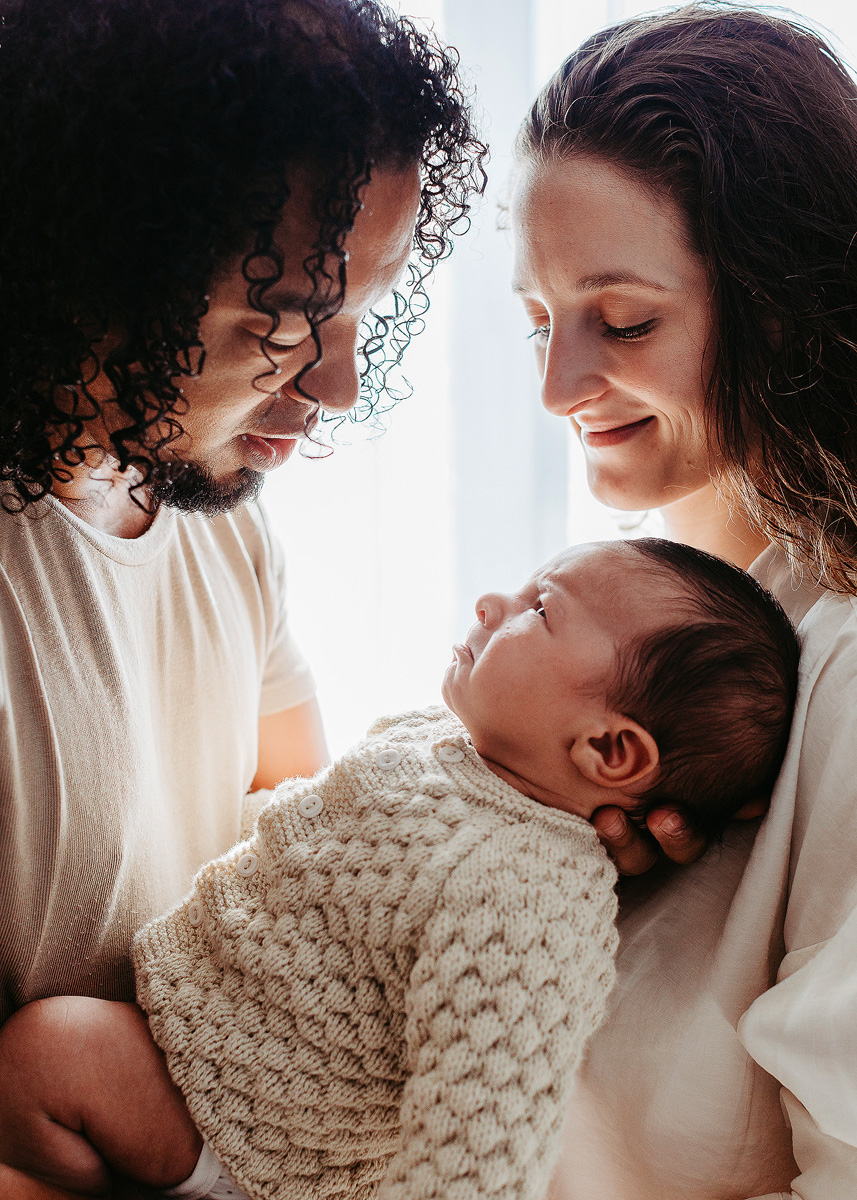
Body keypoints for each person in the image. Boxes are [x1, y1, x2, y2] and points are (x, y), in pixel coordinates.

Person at [0, 1, 485, 1196]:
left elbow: (292, 842)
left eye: (359, 316)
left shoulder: (222, 526)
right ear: (89, 273)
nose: (336, 386)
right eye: (277, 327)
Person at [0, 538, 799, 1200]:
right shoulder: (439, 739)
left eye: (541, 610)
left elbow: (483, 1133)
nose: (492, 603)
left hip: (250, 1129)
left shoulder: (525, 891)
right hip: (195, 1030)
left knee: (47, 1052)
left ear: (608, 749)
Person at [508, 5, 857, 1198]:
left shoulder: (845, 667)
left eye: (622, 321)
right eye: (535, 323)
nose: (557, 387)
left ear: (778, 307)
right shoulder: (596, 631)